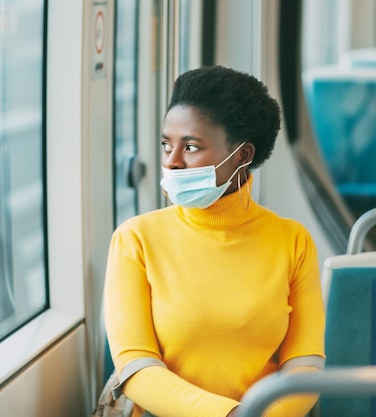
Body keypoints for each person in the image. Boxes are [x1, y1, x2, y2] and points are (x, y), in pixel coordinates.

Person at [103, 65, 326, 417]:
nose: (172, 162)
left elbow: (305, 365)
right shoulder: (135, 239)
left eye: (191, 147)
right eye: (166, 145)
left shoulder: (293, 241)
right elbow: (135, 366)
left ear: (242, 156)